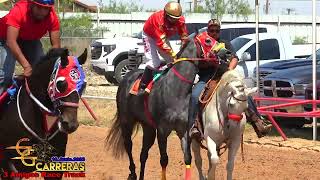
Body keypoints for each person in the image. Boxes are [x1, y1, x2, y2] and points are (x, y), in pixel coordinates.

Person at [189, 19, 272, 140]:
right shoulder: (201, 44)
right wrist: (208, 63)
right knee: (195, 95)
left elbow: (234, 58)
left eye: (217, 30)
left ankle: (258, 122)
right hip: (206, 77)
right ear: (208, 31)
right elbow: (196, 62)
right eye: (212, 30)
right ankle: (194, 126)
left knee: (244, 94)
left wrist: (229, 70)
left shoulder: (225, 43)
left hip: (224, 75)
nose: (214, 33)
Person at [0, 0, 60, 94]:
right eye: (39, 7)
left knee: (41, 71)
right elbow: (11, 41)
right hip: (5, 38)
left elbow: (56, 47)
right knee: (5, 76)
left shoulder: (52, 17)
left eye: (46, 9)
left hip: (30, 39)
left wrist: (56, 67)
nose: (42, 12)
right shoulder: (19, 10)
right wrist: (27, 66)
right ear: (31, 4)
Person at [137, 1, 188, 95]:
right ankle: (142, 86)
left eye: (176, 18)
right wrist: (174, 54)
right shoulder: (158, 20)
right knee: (154, 62)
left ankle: (171, 85)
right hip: (150, 36)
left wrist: (183, 50)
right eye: (171, 18)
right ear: (165, 14)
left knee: (172, 61)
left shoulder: (181, 20)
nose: (174, 21)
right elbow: (161, 43)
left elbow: (184, 36)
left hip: (163, 37)